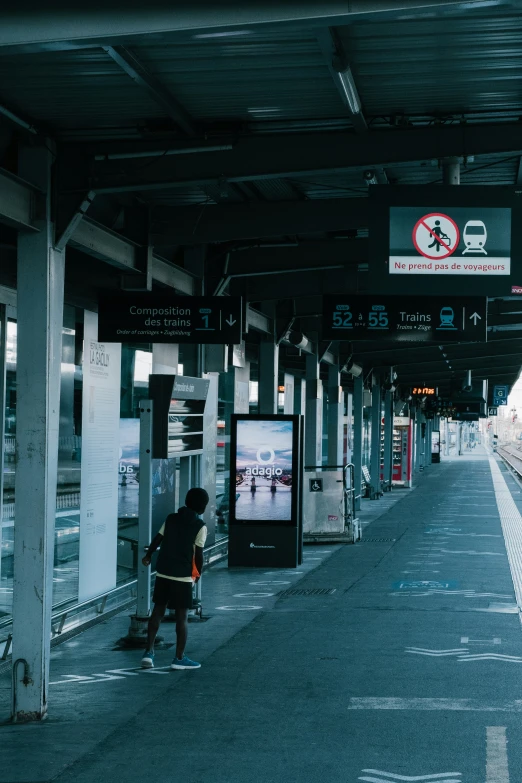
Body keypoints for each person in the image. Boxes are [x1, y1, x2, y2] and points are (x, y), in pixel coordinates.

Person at [140, 487, 209, 670]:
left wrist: (148, 556)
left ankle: (148, 653)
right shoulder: (200, 527)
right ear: (202, 507)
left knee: (158, 612)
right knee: (182, 617)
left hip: (164, 571)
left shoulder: (171, 518)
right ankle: (179, 658)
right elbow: (198, 556)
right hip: (183, 575)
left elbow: (158, 538)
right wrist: (197, 575)